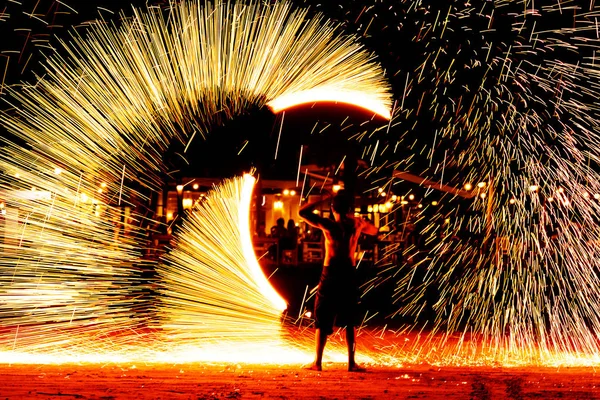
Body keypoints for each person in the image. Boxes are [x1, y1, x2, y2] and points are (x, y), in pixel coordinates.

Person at [299, 189, 378, 372]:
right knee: (350, 318)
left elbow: (302, 213)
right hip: (348, 272)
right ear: (349, 208)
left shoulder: (328, 225)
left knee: (322, 316)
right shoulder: (357, 224)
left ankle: (317, 362)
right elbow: (374, 231)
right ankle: (351, 363)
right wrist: (359, 221)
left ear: (333, 208)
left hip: (331, 272)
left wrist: (322, 199)